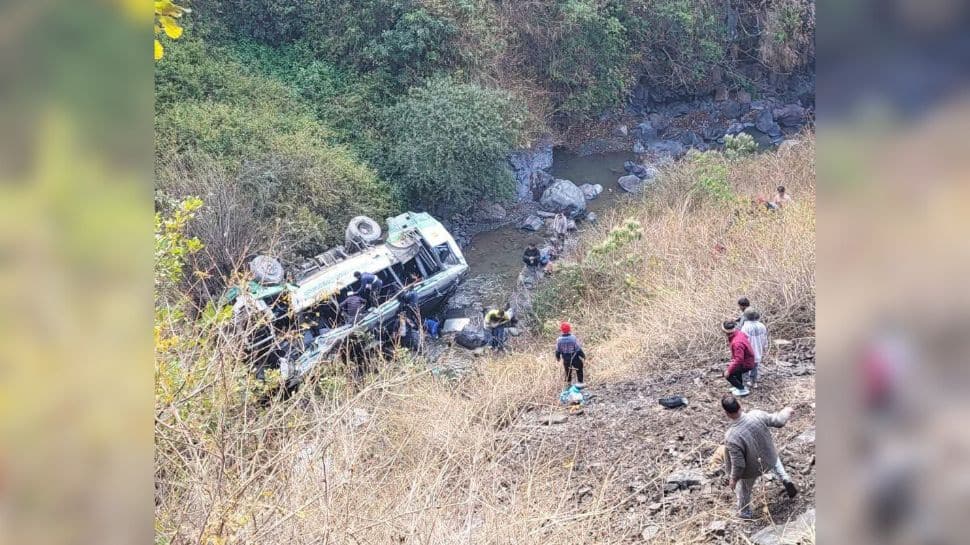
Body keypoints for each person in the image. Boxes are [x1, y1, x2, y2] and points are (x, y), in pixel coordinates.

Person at [720, 395, 799, 519]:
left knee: (744, 490)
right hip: (769, 457)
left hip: (751, 470)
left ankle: (745, 512)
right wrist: (786, 412)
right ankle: (785, 478)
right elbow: (778, 421)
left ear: (727, 413)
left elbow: (739, 464)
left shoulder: (731, 436)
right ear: (740, 406)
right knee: (775, 460)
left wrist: (733, 479)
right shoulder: (756, 415)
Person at [722, 320, 756, 396]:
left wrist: (729, 370)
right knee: (736, 372)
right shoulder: (738, 333)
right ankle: (738, 387)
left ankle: (742, 389)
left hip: (746, 363)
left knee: (727, 374)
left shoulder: (737, 343)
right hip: (748, 360)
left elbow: (739, 359)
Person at [740, 309, 768, 389]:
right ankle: (754, 382)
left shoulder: (745, 327)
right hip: (758, 349)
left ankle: (745, 384)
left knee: (745, 368)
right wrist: (765, 347)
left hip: (748, 351)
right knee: (755, 367)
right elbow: (764, 339)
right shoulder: (762, 326)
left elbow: (743, 340)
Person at [555, 322, 587, 388]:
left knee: (567, 371)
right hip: (574, 357)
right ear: (569, 329)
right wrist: (583, 356)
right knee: (579, 368)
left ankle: (568, 384)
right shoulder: (573, 338)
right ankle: (580, 382)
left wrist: (558, 358)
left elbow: (558, 350)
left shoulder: (559, 340)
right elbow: (578, 349)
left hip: (565, 358)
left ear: (561, 330)